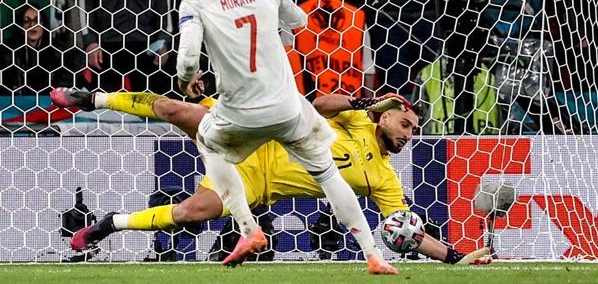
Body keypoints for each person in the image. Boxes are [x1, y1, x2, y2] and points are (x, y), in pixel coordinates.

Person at [168, 0, 395, 273]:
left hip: (240, 115)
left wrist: (186, 83)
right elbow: (301, 19)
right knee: (328, 175)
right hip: (289, 110)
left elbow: (186, 61)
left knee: (208, 142)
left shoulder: (194, 3)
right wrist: (275, 30)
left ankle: (248, 229)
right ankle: (373, 254)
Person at [50, 87, 492, 265]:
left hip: (256, 185)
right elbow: (320, 104)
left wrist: (455, 257)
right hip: (255, 137)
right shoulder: (358, 120)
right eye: (406, 124)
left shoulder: (385, 178)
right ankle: (94, 98)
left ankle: (110, 223)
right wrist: (365, 99)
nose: (409, 135)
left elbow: (404, 231)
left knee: (189, 213)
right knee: (173, 110)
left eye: (414, 131)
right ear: (388, 115)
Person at [287, 0, 376, 99]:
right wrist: (369, 107)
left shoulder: (295, 15)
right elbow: (368, 69)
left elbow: (285, 62)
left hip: (311, 105)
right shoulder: (356, 16)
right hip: (349, 104)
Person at [1, 6, 73, 95]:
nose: (32, 25)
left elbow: (65, 86)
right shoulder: (6, 50)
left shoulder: (59, 51)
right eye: (26, 21)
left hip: (48, 104)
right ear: (20, 25)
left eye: (37, 20)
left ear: (43, 24)